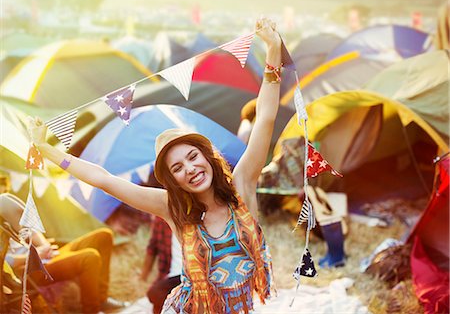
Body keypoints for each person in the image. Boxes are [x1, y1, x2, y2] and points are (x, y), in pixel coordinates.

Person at [28, 17, 282, 314]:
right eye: (177, 168)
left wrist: (273, 49)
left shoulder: (243, 185)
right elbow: (104, 180)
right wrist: (46, 150)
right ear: (172, 180)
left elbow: (264, 116)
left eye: (192, 157)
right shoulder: (171, 207)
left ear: (207, 156)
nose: (189, 168)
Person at [0, 176, 128, 314]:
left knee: (103, 236)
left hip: (44, 256)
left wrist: (44, 247)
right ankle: (92, 310)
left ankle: (101, 300)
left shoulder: (4, 201)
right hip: (30, 270)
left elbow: (28, 225)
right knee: (90, 257)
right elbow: (6, 263)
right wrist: (34, 256)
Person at [141, 216, 182, 314]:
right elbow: (152, 248)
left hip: (192, 276)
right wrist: (142, 277)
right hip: (170, 277)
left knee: (157, 294)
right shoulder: (162, 218)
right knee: (154, 295)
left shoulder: (200, 218)